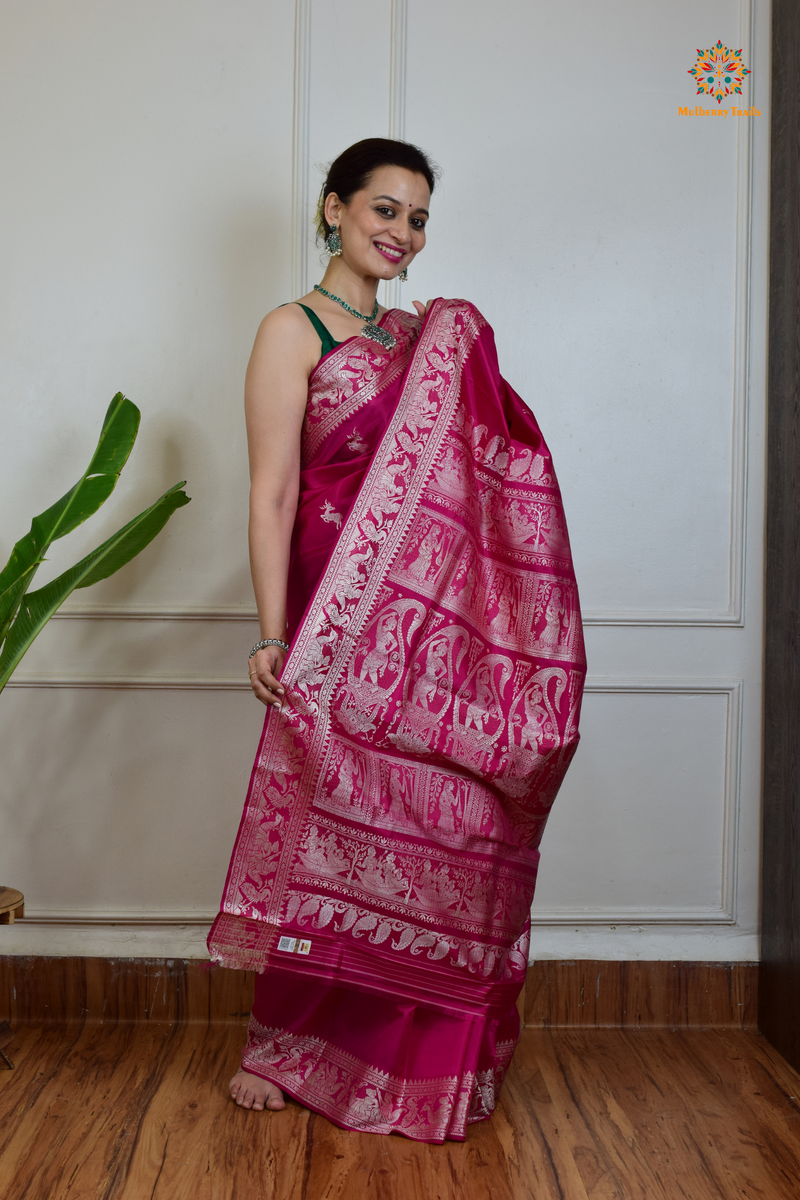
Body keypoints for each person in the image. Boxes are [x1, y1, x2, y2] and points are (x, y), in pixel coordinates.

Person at [208, 138, 586, 1143]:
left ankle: (415, 1051)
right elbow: (272, 492)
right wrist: (272, 633)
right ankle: (285, 1045)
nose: (400, 234)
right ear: (332, 209)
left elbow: (485, 488)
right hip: (331, 619)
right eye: (382, 209)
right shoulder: (290, 332)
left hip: (422, 642)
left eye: (416, 218)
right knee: (332, 825)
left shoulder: (429, 345)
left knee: (443, 827)